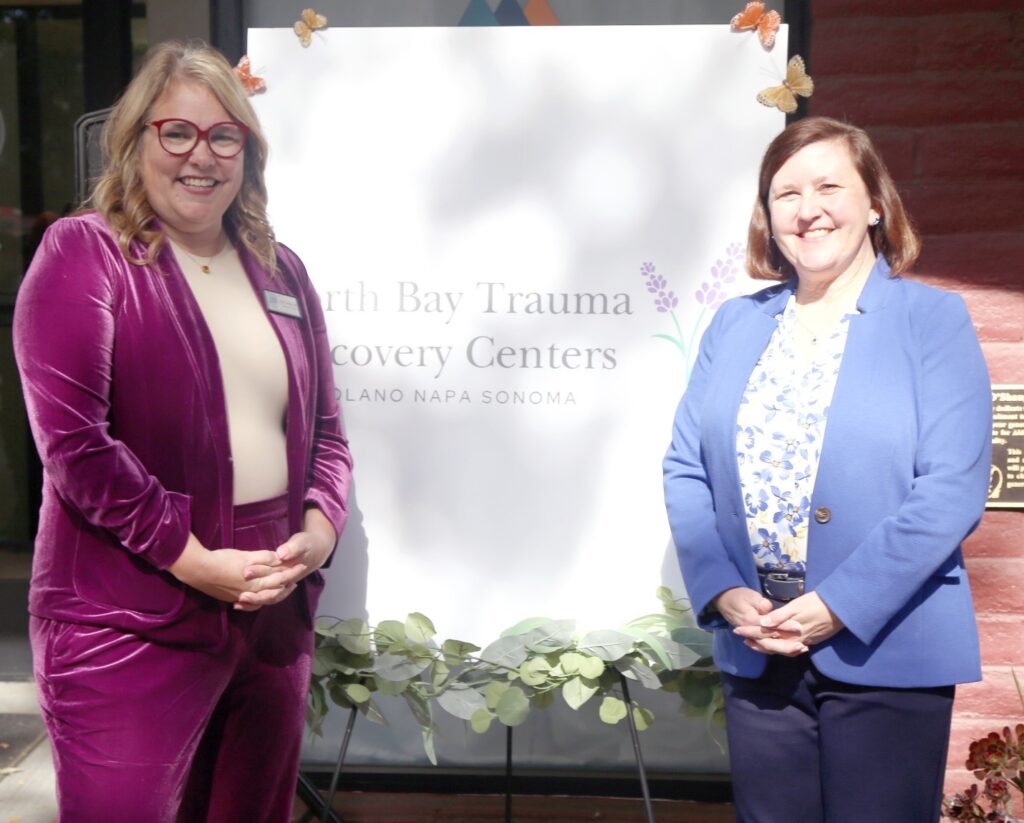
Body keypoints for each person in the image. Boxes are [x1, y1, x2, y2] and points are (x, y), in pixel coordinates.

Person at [13, 40, 352, 822]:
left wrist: (319, 528)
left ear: (247, 153)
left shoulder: (281, 270)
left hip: (271, 612)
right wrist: (195, 559)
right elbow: (76, 446)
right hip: (127, 620)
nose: (201, 156)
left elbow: (326, 433)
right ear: (135, 142)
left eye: (223, 136)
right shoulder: (85, 254)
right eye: (178, 133)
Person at [663, 117, 990, 823]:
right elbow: (687, 467)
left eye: (828, 186)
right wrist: (721, 588)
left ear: (875, 203)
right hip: (760, 649)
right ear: (769, 217)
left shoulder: (932, 321)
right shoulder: (735, 325)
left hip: (889, 649)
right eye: (786, 193)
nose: (807, 208)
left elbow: (951, 490)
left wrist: (836, 605)